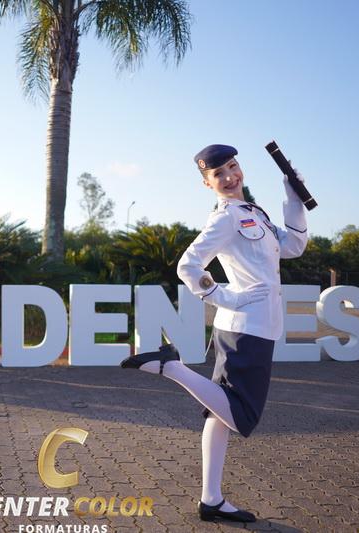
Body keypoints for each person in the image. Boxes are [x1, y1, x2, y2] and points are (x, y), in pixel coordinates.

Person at [121, 144, 308, 523]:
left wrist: (293, 198)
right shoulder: (224, 218)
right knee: (240, 412)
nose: (229, 176)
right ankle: (169, 367)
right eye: (218, 173)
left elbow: (294, 246)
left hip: (250, 326)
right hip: (247, 328)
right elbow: (188, 266)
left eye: (233, 167)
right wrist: (227, 297)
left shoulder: (253, 213)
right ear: (207, 183)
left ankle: (211, 500)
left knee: (219, 414)